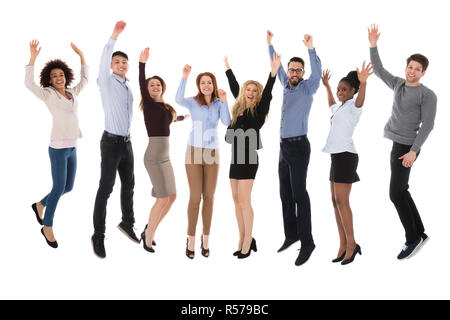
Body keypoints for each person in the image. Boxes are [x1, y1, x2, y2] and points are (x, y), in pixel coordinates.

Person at [368, 25, 437, 260]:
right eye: (410, 67)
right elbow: (378, 69)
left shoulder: (427, 95)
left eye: (417, 69)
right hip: (397, 144)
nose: (412, 71)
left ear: (423, 73)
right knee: (402, 190)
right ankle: (420, 233)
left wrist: (414, 152)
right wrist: (373, 45)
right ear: (406, 67)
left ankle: (412, 238)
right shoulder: (398, 84)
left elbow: (428, 125)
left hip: (407, 148)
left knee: (395, 194)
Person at [267, 30, 322, 266]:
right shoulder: (285, 84)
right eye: (292, 69)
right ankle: (291, 235)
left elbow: (318, 71)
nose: (294, 73)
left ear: (303, 73)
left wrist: (311, 49)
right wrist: (269, 44)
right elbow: (275, 67)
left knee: (300, 195)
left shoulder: (307, 88)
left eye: (299, 70)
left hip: (299, 147)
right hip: (283, 149)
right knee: (285, 195)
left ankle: (307, 243)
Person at [26, 40, 88, 248]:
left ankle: (40, 204)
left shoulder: (72, 93)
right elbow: (28, 84)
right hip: (58, 149)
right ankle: (47, 226)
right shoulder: (48, 95)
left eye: (61, 75)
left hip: (72, 147)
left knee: (68, 187)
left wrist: (81, 56)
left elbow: (85, 79)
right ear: (50, 81)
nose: (58, 78)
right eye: (54, 76)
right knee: (59, 187)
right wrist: (33, 58)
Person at [223, 53, 281, 259]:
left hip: (249, 159)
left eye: (254, 91)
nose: (251, 92)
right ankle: (242, 237)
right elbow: (234, 87)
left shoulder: (259, 110)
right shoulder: (238, 109)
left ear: (258, 95)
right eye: (248, 89)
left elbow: (267, 95)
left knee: (245, 201)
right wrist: (228, 69)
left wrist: (272, 74)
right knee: (236, 199)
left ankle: (248, 240)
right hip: (234, 158)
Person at [91, 21, 138, 258]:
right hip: (110, 144)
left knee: (129, 186)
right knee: (106, 188)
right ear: (111, 66)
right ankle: (98, 235)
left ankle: (127, 223)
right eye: (116, 62)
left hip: (127, 144)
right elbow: (102, 62)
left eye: (123, 62)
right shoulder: (107, 82)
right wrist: (114, 37)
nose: (121, 64)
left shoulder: (128, 86)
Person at [175, 65, 231, 259]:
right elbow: (177, 99)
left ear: (213, 84)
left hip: (212, 153)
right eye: (202, 82)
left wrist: (224, 101)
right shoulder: (192, 102)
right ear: (198, 86)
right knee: (194, 197)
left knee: (209, 197)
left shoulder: (218, 102)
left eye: (209, 82)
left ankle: (205, 239)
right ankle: (190, 239)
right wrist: (184, 77)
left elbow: (226, 122)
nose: (206, 85)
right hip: (193, 152)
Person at [321, 63, 374, 265]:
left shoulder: (354, 107)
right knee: (334, 201)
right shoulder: (339, 107)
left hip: (346, 157)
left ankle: (352, 244)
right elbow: (331, 103)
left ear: (353, 91)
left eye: (344, 89)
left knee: (343, 202)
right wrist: (327, 86)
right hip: (335, 156)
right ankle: (343, 243)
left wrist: (363, 83)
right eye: (339, 89)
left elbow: (361, 100)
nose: (340, 92)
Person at [138, 47, 189, 253]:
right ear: (148, 90)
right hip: (153, 157)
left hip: (165, 157)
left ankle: (150, 229)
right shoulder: (149, 104)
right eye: (152, 85)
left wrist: (181, 118)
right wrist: (142, 64)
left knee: (173, 197)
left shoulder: (165, 108)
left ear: (162, 88)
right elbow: (142, 83)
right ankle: (148, 236)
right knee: (162, 197)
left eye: (158, 84)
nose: (155, 86)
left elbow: (167, 122)